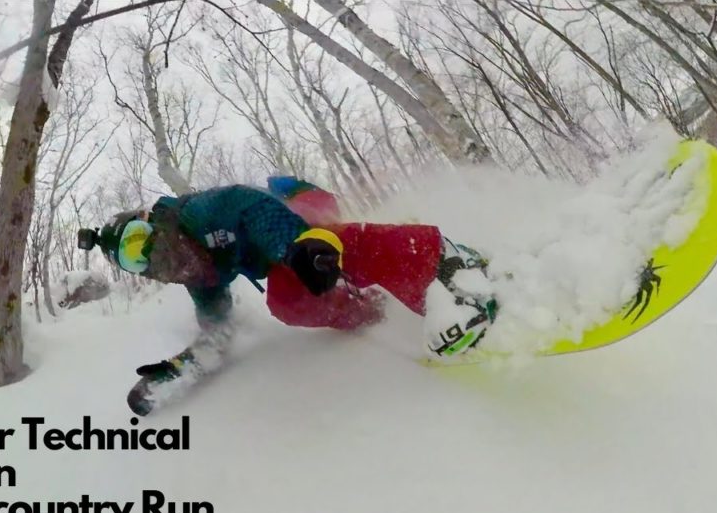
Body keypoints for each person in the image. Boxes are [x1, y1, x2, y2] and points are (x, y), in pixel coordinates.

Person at [77, 176, 497, 415]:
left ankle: (447, 263)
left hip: (295, 208)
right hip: (290, 253)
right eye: (132, 260)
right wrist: (176, 372)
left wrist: (295, 245)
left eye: (138, 240)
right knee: (287, 301)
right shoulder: (199, 278)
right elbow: (217, 332)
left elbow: (249, 206)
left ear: (150, 221)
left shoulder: (197, 214)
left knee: (322, 239)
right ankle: (370, 309)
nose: (146, 255)